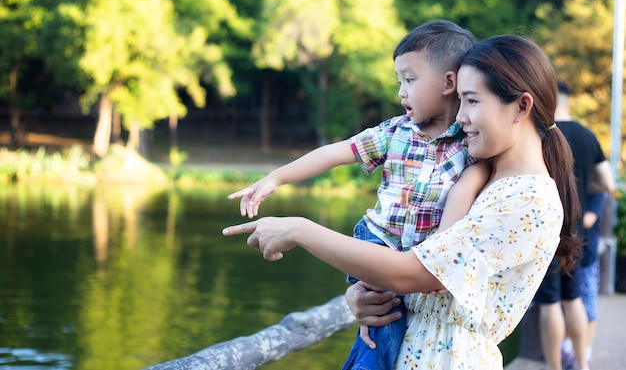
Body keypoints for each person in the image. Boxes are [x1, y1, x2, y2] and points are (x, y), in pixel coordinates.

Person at [223, 34, 582, 370]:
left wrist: (299, 229)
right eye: (460, 101)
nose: (459, 117)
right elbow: (418, 277)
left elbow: (416, 274)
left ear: (521, 106)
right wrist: (361, 296)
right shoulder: (480, 179)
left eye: (472, 101)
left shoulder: (527, 201)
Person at [537, 80, 615, 370]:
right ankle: (582, 364)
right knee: (573, 299)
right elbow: (606, 182)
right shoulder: (586, 134)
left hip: (548, 229)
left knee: (549, 304)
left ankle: (555, 367)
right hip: (576, 231)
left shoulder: (544, 134)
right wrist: (582, 190)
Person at [561, 191, 609, 369]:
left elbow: (588, 220)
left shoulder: (598, 193)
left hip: (587, 258)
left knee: (587, 307)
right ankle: (567, 348)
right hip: (572, 256)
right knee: (569, 303)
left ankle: (585, 352)